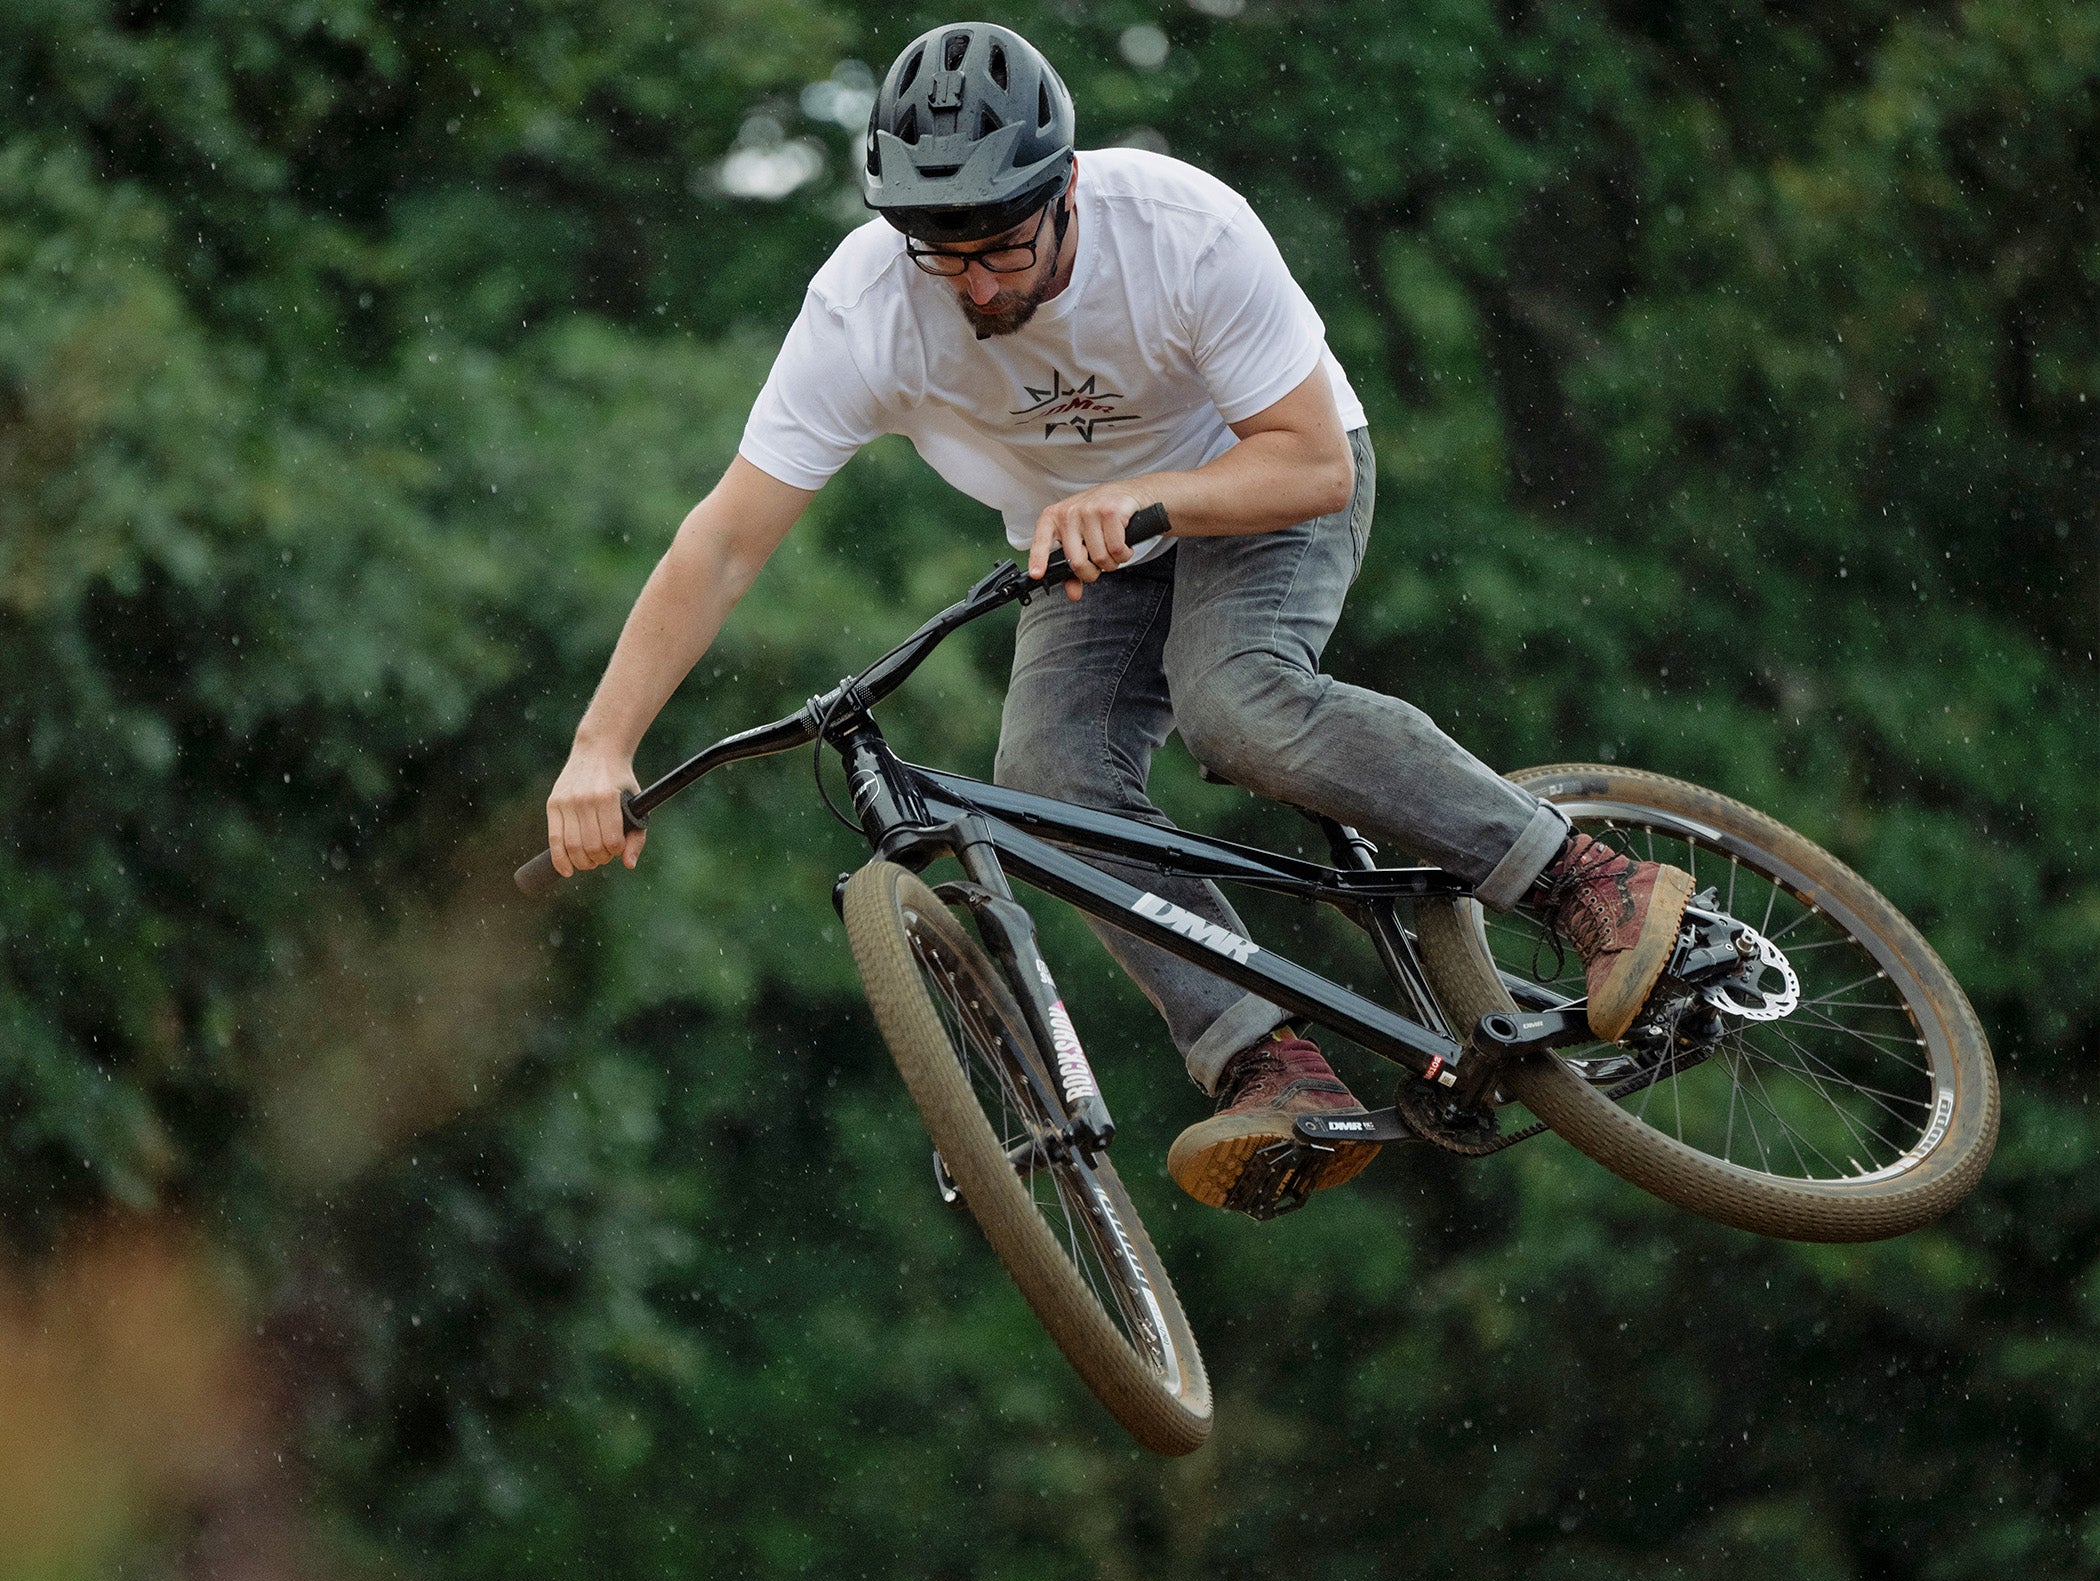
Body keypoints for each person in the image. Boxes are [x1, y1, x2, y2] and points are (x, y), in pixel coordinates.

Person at [543, 21, 1692, 1217]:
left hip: (1260, 482)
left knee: (1234, 701)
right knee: (1046, 778)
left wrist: (1147, 498)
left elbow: (1310, 468)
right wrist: (600, 745)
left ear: (1067, 189)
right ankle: (1267, 1062)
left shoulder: (1182, 234)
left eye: (1001, 247)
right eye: (944, 257)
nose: (978, 285)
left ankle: (1585, 882)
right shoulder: (864, 311)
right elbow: (726, 540)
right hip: (1088, 545)